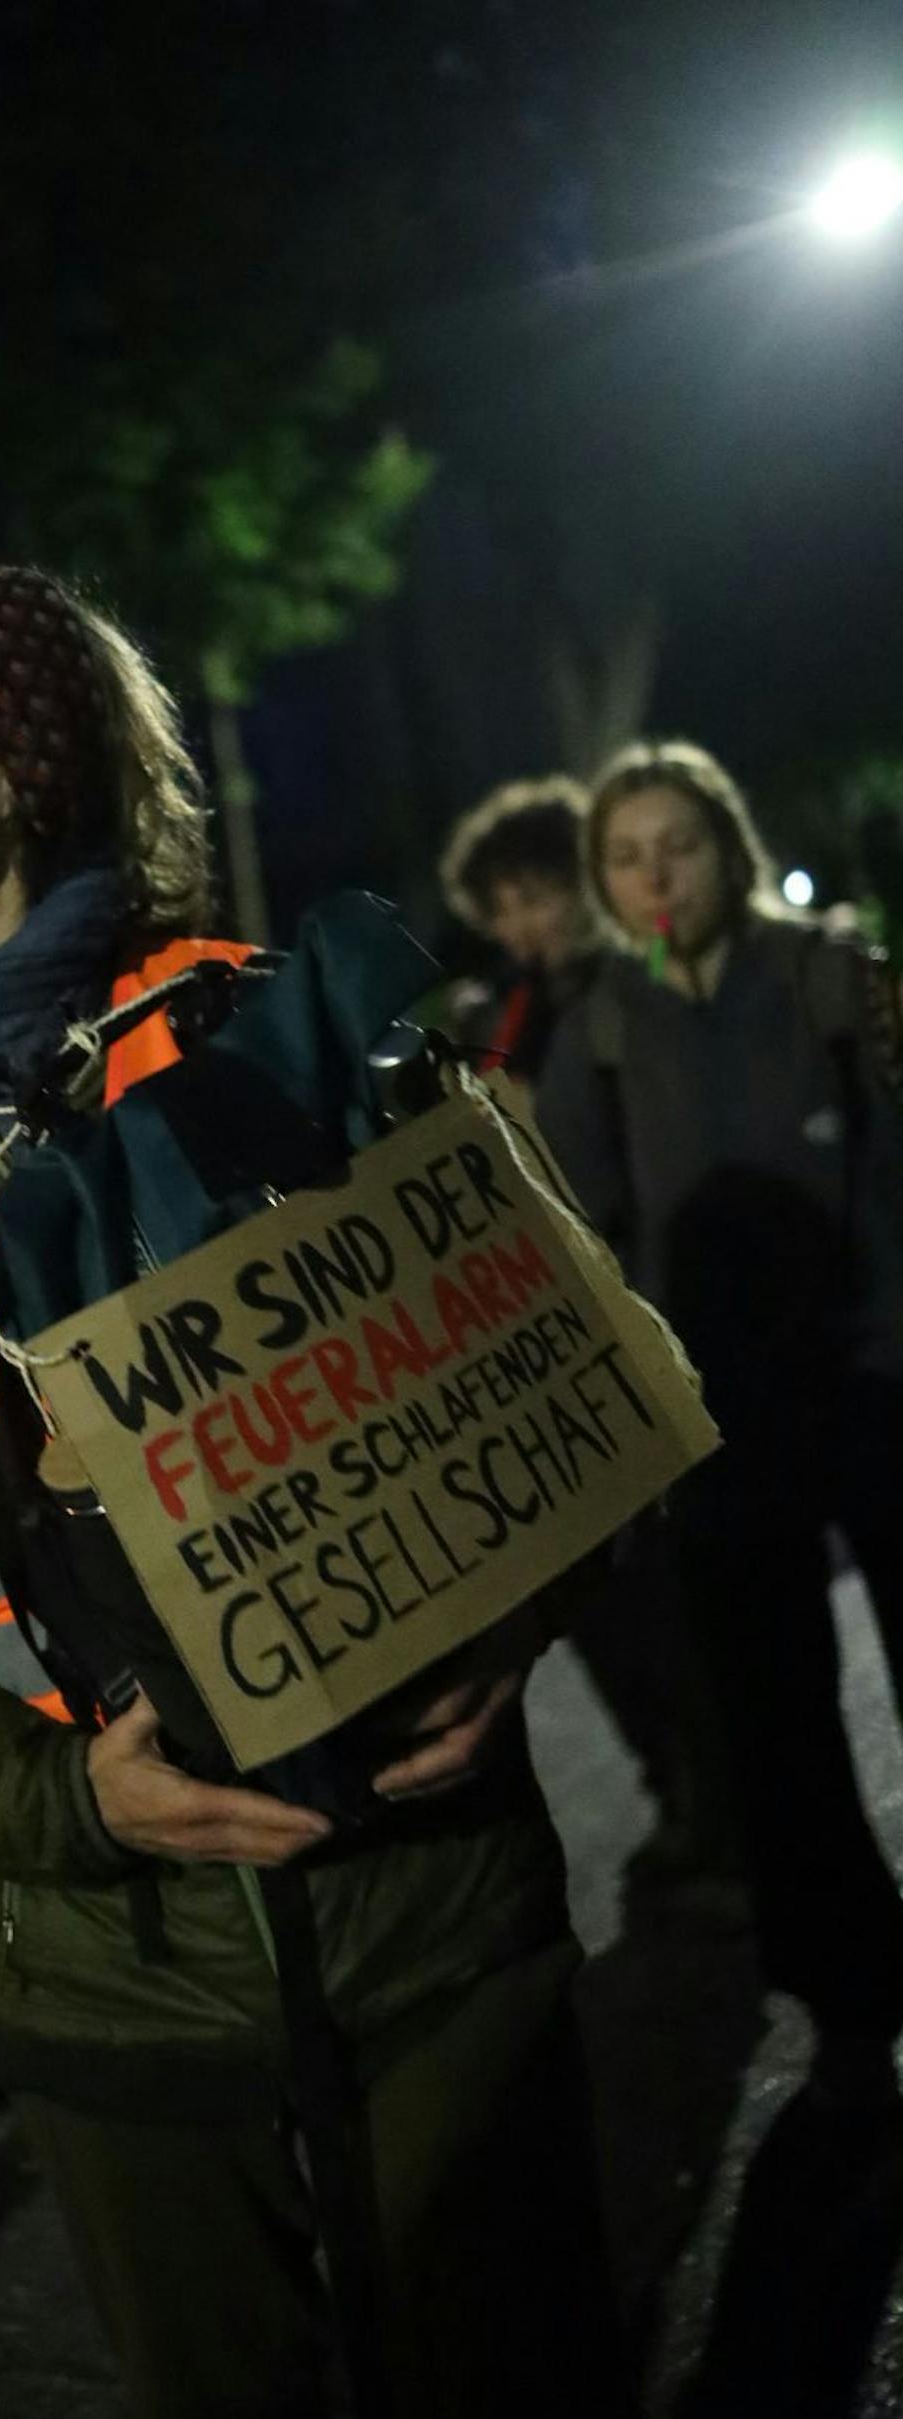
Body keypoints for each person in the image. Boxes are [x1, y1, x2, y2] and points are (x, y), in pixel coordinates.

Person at [0, 547, 625, 2419]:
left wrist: (517, 1604)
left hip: (435, 1922)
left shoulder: (293, 1019)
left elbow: (577, 1386)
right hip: (104, 1982)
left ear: (28, 758)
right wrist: (67, 1801)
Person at [536, 737, 903, 2110]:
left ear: (728, 844)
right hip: (720, 1424)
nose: (654, 875)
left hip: (875, 1384)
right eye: (624, 855)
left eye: (676, 844)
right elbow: (578, 1227)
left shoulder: (824, 974)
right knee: (776, 1718)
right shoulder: (606, 1028)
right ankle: (852, 1980)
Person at [441, 775, 740, 1914]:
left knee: (686, 1605)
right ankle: (682, 1798)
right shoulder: (503, 1011)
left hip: (653, 1324)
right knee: (607, 1609)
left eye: (543, 895)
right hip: (555, 1348)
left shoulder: (641, 984)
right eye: (504, 905)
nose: (529, 923)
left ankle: (724, 1821)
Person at [437, 775, 600, 1089]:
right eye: (498, 911)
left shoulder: (633, 979)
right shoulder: (494, 1011)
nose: (516, 927)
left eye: (533, 900)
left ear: (584, 886)